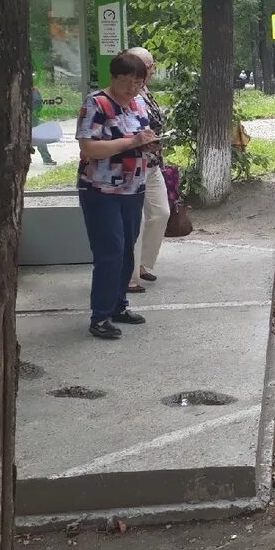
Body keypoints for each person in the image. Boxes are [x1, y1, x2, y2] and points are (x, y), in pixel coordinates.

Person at [76, 52, 157, 340]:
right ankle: (99, 316)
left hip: (133, 187)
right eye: (127, 82)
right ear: (114, 78)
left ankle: (119, 305)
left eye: (138, 83)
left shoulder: (137, 104)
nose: (132, 89)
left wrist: (148, 144)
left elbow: (141, 136)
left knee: (126, 251)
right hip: (101, 189)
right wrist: (131, 142)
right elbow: (89, 148)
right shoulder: (97, 103)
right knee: (109, 251)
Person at [122, 46, 170, 294]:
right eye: (150, 66)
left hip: (152, 163)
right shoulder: (129, 94)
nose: (153, 70)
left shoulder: (146, 92)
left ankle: (143, 264)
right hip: (132, 166)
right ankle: (129, 276)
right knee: (134, 221)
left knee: (161, 212)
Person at [30, 85, 57, 165]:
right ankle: (46, 158)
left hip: (30, 117)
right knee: (38, 137)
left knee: (38, 137)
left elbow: (38, 103)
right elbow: (38, 104)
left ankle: (46, 158)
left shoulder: (32, 90)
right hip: (32, 117)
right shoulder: (34, 90)